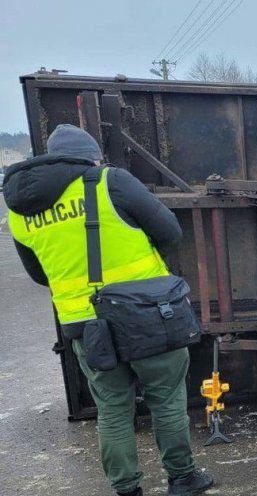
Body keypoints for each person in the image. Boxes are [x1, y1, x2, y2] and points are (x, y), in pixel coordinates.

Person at [2, 124, 214, 496]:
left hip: (84, 324)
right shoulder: (108, 181)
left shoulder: (20, 210)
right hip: (145, 313)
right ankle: (182, 478)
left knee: (113, 410)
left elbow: (39, 275)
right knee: (165, 400)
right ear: (90, 157)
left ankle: (126, 488)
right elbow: (169, 231)